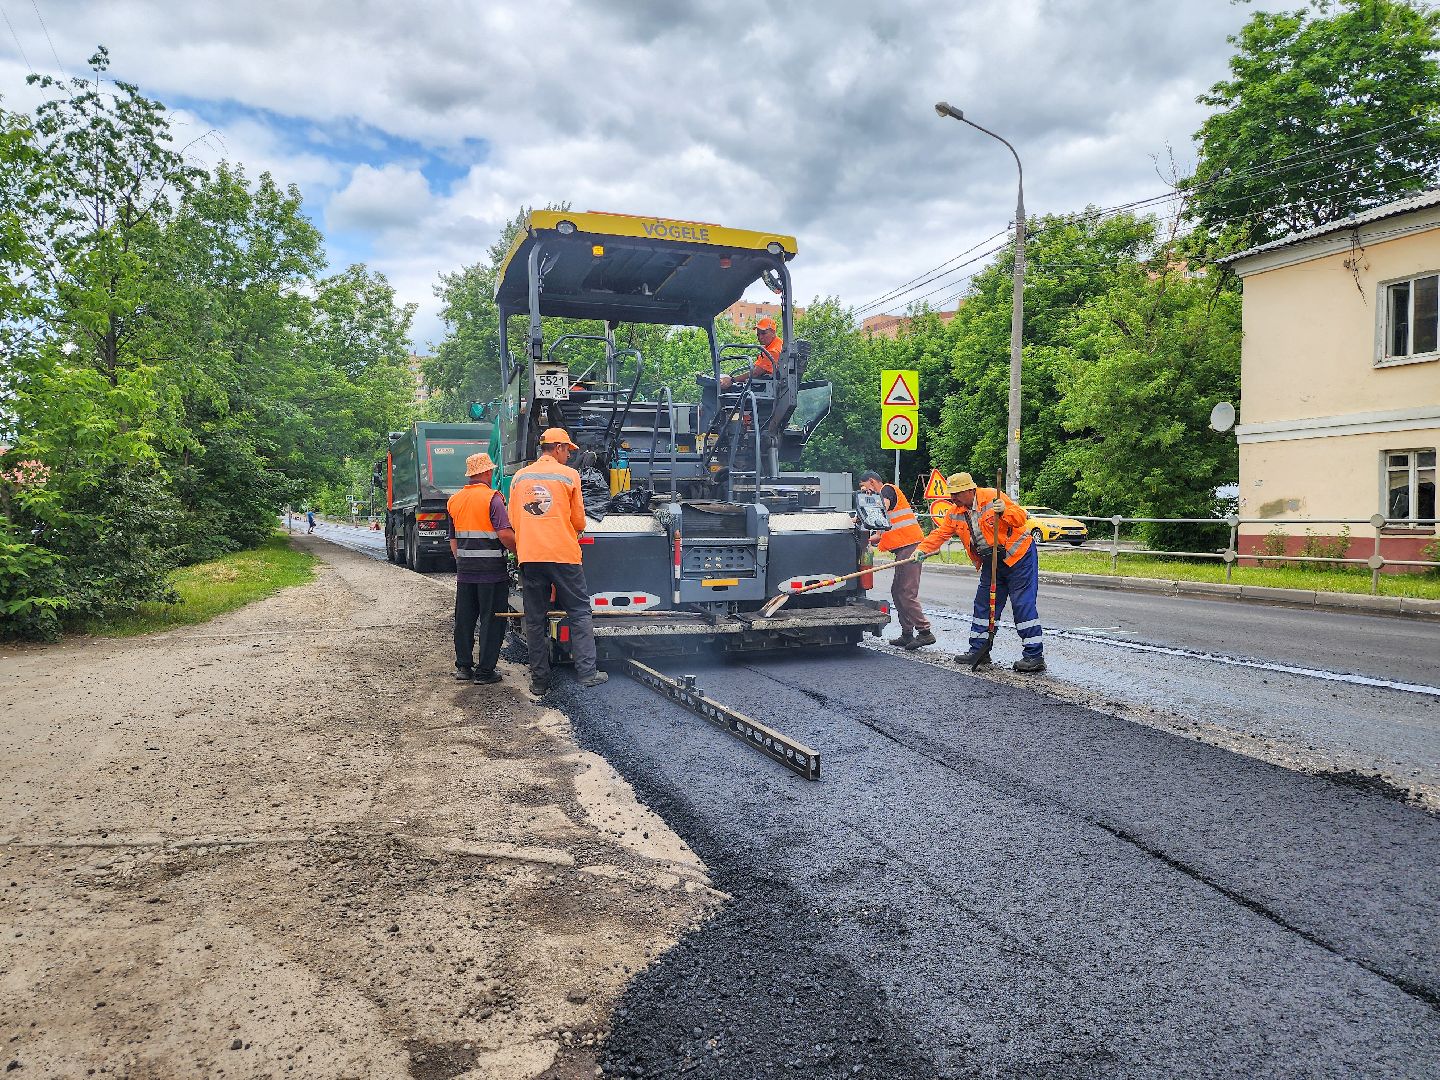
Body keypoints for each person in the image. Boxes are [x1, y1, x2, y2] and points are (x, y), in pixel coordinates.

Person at [508, 427, 609, 696]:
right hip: (563, 555)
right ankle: (587, 673)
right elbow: (579, 521)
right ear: (559, 448)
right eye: (568, 451)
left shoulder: (519, 478)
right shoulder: (569, 475)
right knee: (578, 612)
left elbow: (513, 521)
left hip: (530, 556)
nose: (569, 456)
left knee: (534, 619)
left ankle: (540, 681)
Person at [915, 471, 1045, 672]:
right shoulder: (955, 511)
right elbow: (940, 534)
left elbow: (1020, 518)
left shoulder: (992, 496)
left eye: (956, 494)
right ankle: (979, 651)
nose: (952, 498)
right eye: (951, 494)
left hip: (1019, 558)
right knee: (984, 604)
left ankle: (1034, 656)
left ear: (969, 490)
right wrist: (922, 549)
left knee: (1022, 604)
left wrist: (1004, 511)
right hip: (991, 561)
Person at [447, 452, 516, 684]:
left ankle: (464, 668)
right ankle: (485, 672)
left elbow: (454, 540)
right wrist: (521, 550)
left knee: (464, 620)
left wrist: (463, 562)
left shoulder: (454, 501)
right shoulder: (493, 499)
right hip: (492, 572)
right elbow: (505, 534)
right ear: (486, 472)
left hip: (465, 573)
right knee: (491, 620)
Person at [857, 470, 934, 650]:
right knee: (897, 591)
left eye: (864, 487)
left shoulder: (887, 490)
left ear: (872, 482)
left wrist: (862, 517)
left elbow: (879, 508)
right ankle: (907, 633)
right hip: (904, 548)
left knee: (906, 591)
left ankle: (925, 632)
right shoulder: (882, 498)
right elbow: (880, 526)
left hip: (911, 547)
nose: (865, 492)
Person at [718, 316, 783, 391]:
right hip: (761, 384)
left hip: (764, 388)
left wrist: (732, 380)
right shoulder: (769, 347)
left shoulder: (773, 351)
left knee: (724, 390)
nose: (760, 337)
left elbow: (756, 373)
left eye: (763, 333)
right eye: (758, 334)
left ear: (773, 332)